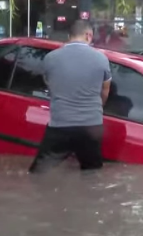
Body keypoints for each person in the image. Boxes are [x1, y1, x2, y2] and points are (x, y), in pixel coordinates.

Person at [29, 20, 112, 173]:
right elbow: (105, 91)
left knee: (39, 173)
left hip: (60, 125)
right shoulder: (102, 59)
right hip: (91, 126)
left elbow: (49, 84)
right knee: (92, 174)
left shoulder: (50, 58)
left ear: (69, 36)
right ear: (88, 35)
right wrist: (95, 109)